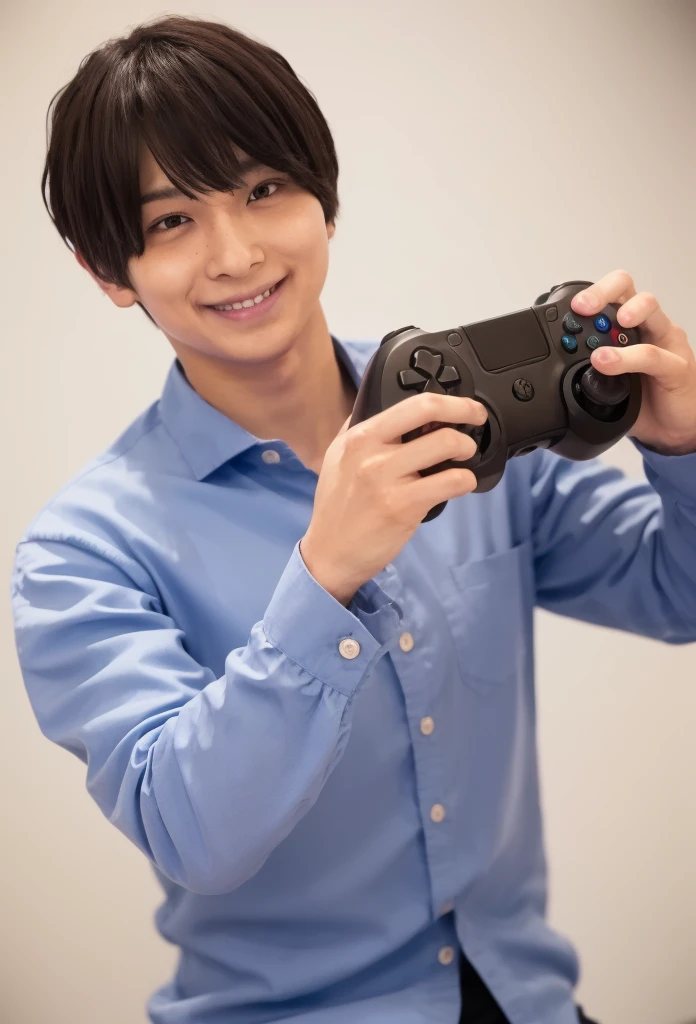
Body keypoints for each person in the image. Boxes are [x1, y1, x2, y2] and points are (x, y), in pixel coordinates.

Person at [10, 13, 696, 1024]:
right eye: (170, 222)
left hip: (531, 1002)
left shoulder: (465, 414)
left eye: (262, 190)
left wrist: (680, 449)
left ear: (323, 199)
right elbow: (194, 834)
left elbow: (674, 592)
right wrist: (322, 577)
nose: (235, 253)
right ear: (109, 272)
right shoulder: (79, 554)